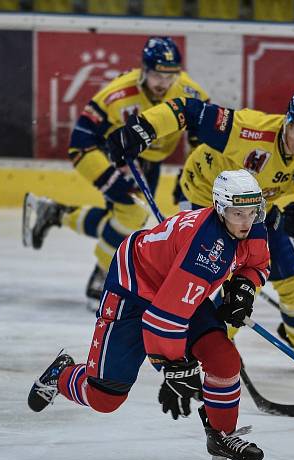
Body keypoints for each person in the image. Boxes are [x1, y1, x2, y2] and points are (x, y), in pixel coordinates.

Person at [27, 169, 271, 460]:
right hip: (134, 289)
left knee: (223, 359)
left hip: (175, 287)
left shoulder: (252, 225)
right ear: (221, 209)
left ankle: (222, 436)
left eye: (252, 212)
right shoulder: (205, 250)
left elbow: (258, 262)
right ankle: (62, 375)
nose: (247, 221)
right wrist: (174, 368)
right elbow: (163, 318)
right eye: (238, 213)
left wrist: (244, 287)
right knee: (104, 398)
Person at [105, 88, 294, 372]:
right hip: (206, 197)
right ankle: (214, 349)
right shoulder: (248, 130)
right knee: (225, 280)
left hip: (255, 208)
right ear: (287, 120)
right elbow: (190, 110)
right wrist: (144, 128)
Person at [22, 36, 209, 308]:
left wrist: (189, 177)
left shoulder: (190, 94)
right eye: (157, 74)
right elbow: (80, 142)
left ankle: (56, 214)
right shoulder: (117, 94)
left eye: (171, 76)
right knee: (132, 215)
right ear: (144, 70)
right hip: (118, 156)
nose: (163, 84)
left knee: (123, 219)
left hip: (151, 160)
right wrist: (110, 179)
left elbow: (202, 143)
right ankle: (101, 274)